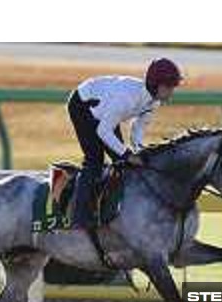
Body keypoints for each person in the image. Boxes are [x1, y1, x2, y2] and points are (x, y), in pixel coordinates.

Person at [67, 57, 183, 229]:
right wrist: (128, 155)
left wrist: (138, 151)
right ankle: (79, 218)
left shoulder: (154, 102)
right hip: (83, 105)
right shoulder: (127, 98)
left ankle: (114, 211)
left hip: (104, 113)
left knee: (122, 164)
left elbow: (137, 129)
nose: (172, 92)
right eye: (169, 87)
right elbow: (102, 131)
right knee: (95, 160)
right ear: (155, 84)